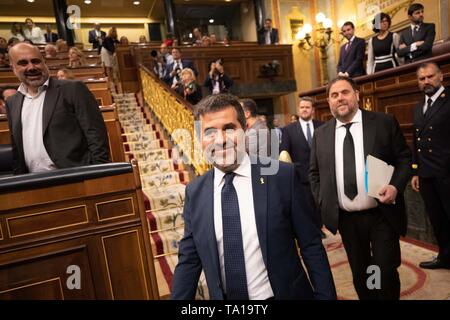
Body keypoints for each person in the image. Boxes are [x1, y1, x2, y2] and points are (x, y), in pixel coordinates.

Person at [171, 93, 336, 300]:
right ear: (199, 138)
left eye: (229, 129)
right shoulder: (195, 192)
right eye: (210, 132)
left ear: (245, 130)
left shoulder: (281, 177)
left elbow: (311, 246)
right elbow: (189, 261)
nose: (221, 140)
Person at [309, 76, 411, 300]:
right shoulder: (321, 134)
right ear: (329, 102)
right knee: (361, 273)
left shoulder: (383, 122)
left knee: (383, 270)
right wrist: (324, 201)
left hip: (381, 214)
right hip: (347, 219)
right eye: (334, 95)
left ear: (356, 95)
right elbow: (314, 173)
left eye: (345, 92)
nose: (340, 98)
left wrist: (395, 186)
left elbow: (404, 159)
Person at [5, 43, 110, 174]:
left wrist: (101, 174)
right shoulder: (12, 103)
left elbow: (96, 136)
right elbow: (17, 148)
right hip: (33, 183)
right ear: (13, 67)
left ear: (44, 62)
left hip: (76, 177)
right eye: (23, 63)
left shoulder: (72, 89)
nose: (31, 67)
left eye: (36, 61)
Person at [411, 62, 450, 270]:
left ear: (441, 76)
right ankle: (445, 256)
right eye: (421, 78)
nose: (426, 81)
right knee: (437, 220)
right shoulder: (419, 107)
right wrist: (415, 170)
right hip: (426, 174)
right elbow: (416, 142)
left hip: (447, 172)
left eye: (430, 76)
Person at [280, 97, 325, 237]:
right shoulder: (288, 129)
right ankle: (312, 230)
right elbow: (284, 152)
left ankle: (320, 228)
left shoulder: (322, 126)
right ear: (298, 110)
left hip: (321, 173)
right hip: (300, 174)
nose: (304, 110)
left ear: (312, 109)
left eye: (307, 107)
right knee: (306, 205)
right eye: (302, 107)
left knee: (319, 202)